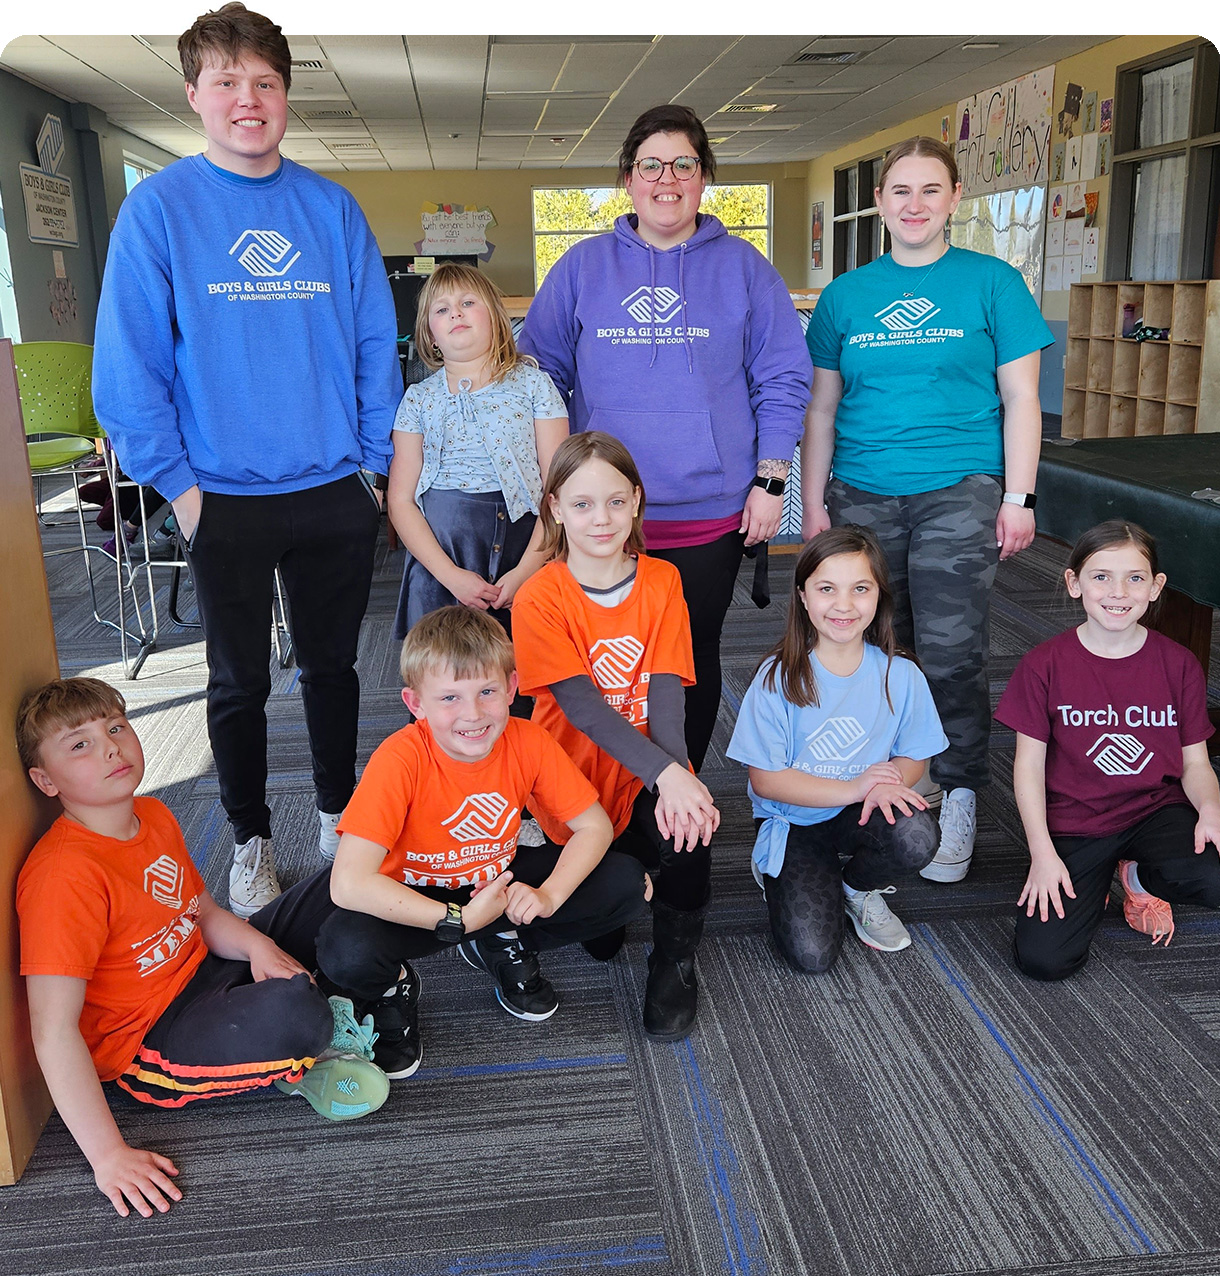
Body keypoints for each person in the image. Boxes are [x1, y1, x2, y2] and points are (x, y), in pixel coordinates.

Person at [92, 3, 401, 916]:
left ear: (287, 97)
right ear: (194, 95)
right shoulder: (159, 212)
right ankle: (250, 837)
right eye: (226, 82)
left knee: (335, 669)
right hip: (219, 494)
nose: (248, 99)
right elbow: (128, 368)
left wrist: (377, 470)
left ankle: (341, 817)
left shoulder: (329, 208)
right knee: (237, 681)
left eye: (265, 82)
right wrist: (180, 490)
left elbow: (373, 348)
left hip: (333, 488)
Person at [15, 678, 390, 1220]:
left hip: (204, 971)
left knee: (340, 886)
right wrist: (108, 1156)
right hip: (150, 1040)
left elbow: (205, 914)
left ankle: (301, 1022)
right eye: (80, 744)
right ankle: (303, 1059)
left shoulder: (157, 815)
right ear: (45, 781)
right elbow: (52, 1030)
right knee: (297, 1013)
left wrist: (259, 947)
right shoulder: (63, 876)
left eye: (115, 727)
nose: (111, 748)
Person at [519, 103, 811, 772]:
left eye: (684, 163)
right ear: (628, 178)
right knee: (597, 663)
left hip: (709, 514)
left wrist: (771, 482)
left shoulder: (743, 267)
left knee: (686, 661)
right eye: (651, 164)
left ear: (704, 176)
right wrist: (553, 487)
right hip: (601, 517)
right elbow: (541, 383)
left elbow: (783, 380)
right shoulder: (582, 266)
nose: (667, 178)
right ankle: (598, 797)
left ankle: (677, 793)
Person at [802, 134, 1054, 885]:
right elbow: (821, 407)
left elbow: (1022, 399)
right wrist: (812, 504)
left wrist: (1019, 496)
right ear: (880, 202)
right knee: (876, 647)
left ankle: (962, 788)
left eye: (930, 190)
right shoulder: (847, 296)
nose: (915, 205)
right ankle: (899, 779)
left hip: (960, 487)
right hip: (861, 488)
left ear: (953, 199)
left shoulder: (992, 282)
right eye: (900, 192)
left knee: (950, 650)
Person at [316, 605, 647, 1079]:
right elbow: (348, 883)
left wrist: (547, 896)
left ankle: (499, 936)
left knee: (626, 883)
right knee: (344, 950)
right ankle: (396, 987)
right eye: (449, 698)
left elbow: (595, 827)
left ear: (512, 687)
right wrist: (459, 920)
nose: (473, 715)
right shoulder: (400, 759)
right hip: (416, 898)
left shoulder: (527, 739)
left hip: (495, 883)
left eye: (488, 692)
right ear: (416, 704)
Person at [512, 432, 720, 1041]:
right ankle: (617, 888)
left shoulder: (662, 582)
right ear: (554, 507)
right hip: (570, 783)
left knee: (692, 825)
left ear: (636, 501)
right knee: (601, 936)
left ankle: (674, 960)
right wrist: (670, 775)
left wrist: (678, 780)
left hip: (644, 767)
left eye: (613, 501)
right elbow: (583, 709)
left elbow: (665, 696)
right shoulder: (540, 596)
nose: (599, 518)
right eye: (581, 503)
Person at [995, 521, 1220, 980]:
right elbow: (1028, 767)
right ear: (1074, 583)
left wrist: (1211, 807)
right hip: (1077, 820)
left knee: (1213, 875)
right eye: (1101, 576)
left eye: (1135, 577)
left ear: (1156, 588)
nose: (1119, 591)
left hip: (1154, 809)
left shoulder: (1179, 664)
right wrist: (1041, 852)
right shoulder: (1044, 665)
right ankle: (1092, 877)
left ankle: (1136, 878)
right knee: (1045, 960)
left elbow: (1196, 762)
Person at [727, 528, 947, 972]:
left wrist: (886, 785)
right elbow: (766, 779)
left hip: (860, 811)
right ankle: (776, 865)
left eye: (860, 589)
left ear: (878, 596)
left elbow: (914, 756)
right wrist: (856, 786)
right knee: (812, 955)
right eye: (827, 589)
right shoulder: (777, 677)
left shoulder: (901, 674)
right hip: (795, 819)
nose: (844, 605)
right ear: (804, 596)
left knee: (918, 836)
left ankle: (857, 886)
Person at [387, 262, 568, 641]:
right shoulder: (418, 400)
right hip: (442, 559)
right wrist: (450, 576)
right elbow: (401, 500)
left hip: (526, 551)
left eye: (467, 302)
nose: (455, 312)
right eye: (441, 309)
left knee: (524, 677)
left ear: (495, 319)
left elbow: (559, 491)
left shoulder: (535, 385)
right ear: (430, 335)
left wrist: (526, 570)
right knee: (447, 676)